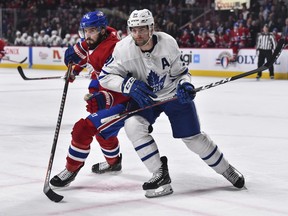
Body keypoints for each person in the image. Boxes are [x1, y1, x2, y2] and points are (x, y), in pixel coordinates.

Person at [99, 9, 245, 198]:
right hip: (146, 98)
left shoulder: (168, 43)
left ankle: (226, 169)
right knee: (133, 125)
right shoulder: (122, 49)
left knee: (194, 139)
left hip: (172, 94)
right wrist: (127, 84)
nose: (138, 34)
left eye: (142, 29)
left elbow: (182, 73)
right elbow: (105, 77)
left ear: (151, 28)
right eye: (133, 30)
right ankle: (159, 173)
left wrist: (185, 85)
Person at [50, 10, 130, 187]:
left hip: (121, 101)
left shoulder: (114, 48)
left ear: (102, 30)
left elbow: (122, 82)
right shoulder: (97, 41)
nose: (88, 35)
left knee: (83, 129)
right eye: (85, 31)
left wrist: (105, 97)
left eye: (92, 30)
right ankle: (114, 163)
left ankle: (71, 169)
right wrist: (75, 70)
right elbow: (89, 60)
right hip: (104, 96)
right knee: (104, 134)